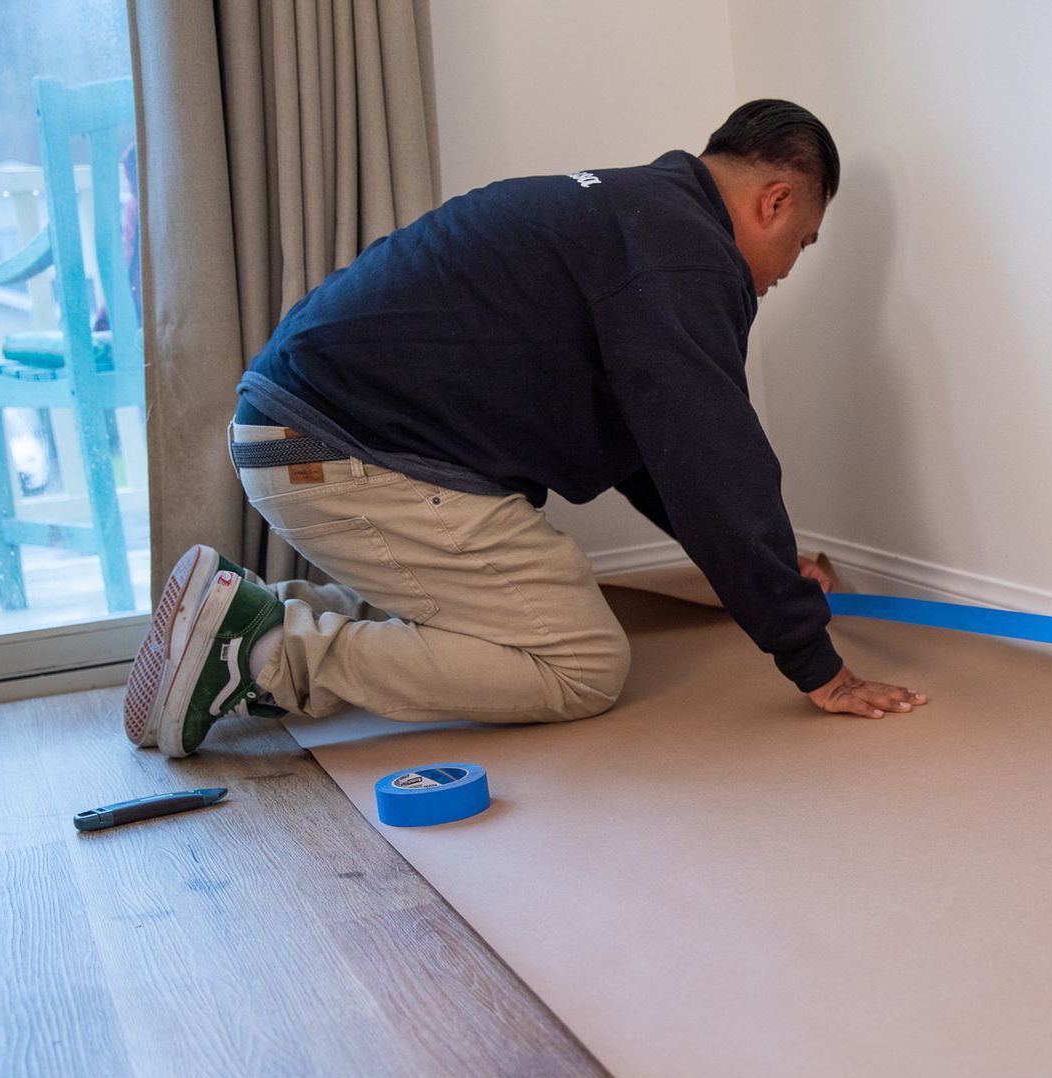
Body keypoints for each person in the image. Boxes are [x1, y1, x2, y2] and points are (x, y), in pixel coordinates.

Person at [123, 100, 926, 758]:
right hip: (344, 449)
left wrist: (766, 568)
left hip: (298, 430)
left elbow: (665, 454)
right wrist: (817, 665)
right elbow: (715, 459)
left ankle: (248, 610)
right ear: (775, 200)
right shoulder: (684, 257)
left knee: (491, 619)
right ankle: (263, 655)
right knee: (581, 665)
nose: (787, 268)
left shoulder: (635, 217)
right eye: (800, 242)